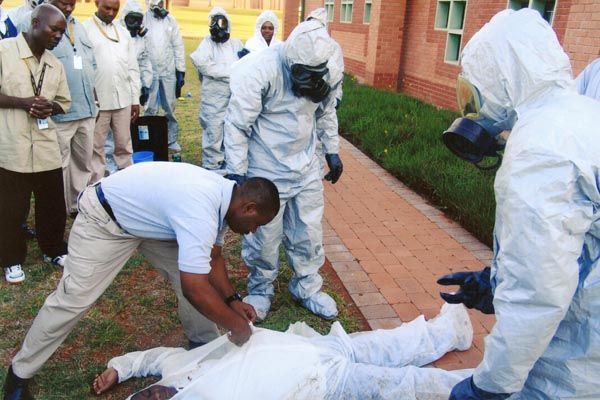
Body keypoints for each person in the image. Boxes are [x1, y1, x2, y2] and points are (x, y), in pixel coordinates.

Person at [2, 162, 280, 399]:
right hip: (105, 220)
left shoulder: (225, 197)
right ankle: (19, 373)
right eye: (257, 224)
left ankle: (204, 349)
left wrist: (233, 301)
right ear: (249, 208)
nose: (253, 231)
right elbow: (194, 288)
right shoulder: (201, 208)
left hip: (147, 222)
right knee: (72, 299)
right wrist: (238, 326)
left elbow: (214, 257)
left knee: (192, 273)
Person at [437, 9, 600, 399]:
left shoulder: (540, 149)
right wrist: (498, 279)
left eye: (473, 89)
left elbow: (536, 293)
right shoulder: (579, 116)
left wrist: (489, 387)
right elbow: (564, 248)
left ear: (501, 77)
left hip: (574, 362)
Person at [92, 304, 473, 399]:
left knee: (386, 344)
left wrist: (117, 369)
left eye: (145, 395)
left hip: (307, 347)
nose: (154, 395)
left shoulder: (173, 368)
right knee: (404, 384)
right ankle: (483, 387)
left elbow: (148, 358)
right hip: (319, 383)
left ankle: (450, 331)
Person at [223, 20, 344, 321]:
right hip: (267, 169)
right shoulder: (261, 70)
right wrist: (237, 173)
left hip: (305, 166)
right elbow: (237, 125)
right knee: (264, 236)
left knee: (308, 229)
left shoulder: (328, 69)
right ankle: (261, 289)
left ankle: (307, 286)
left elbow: (326, 111)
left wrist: (332, 150)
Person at [0, 4, 70, 284]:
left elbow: (63, 103)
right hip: (12, 146)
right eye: (54, 29)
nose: (58, 36)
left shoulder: (55, 64)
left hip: (45, 147)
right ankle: (11, 259)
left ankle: (52, 249)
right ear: (36, 23)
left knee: (52, 205)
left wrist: (48, 108)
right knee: (10, 209)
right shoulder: (4, 52)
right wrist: (23, 103)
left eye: (62, 32)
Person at [19, 0, 99, 216]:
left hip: (85, 108)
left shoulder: (79, 27)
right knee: (59, 164)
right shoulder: (37, 24)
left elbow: (91, 63)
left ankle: (78, 205)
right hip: (59, 113)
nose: (69, 8)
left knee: (83, 163)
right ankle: (59, 208)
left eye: (72, 4)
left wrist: (94, 96)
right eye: (64, 3)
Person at [83, 0, 140, 183]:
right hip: (99, 100)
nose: (110, 12)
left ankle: (127, 182)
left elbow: (132, 68)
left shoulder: (123, 32)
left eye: (115, 9)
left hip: (123, 98)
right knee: (95, 147)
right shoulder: (85, 30)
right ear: (97, 3)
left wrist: (135, 99)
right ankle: (96, 186)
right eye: (106, 8)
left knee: (124, 144)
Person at [102, 0, 154, 175]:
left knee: (124, 135)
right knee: (108, 134)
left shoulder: (141, 38)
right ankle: (108, 169)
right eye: (131, 19)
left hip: (130, 90)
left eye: (137, 20)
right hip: (110, 90)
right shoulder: (114, 32)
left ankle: (124, 170)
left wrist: (145, 86)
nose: (135, 24)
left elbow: (144, 63)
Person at [190, 7, 243, 173]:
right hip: (213, 99)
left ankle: (228, 165)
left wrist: (229, 73)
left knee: (231, 130)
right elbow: (204, 66)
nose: (217, 27)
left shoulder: (236, 44)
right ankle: (212, 167)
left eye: (221, 23)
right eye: (213, 23)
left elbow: (246, 64)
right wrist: (230, 72)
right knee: (213, 132)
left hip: (233, 96)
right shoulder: (207, 44)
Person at [144, 0, 185, 152]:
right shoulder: (143, 19)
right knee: (150, 107)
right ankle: (150, 139)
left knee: (169, 106)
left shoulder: (171, 21)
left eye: (162, 3)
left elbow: (178, 45)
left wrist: (180, 70)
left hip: (168, 70)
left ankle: (171, 139)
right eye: (158, 3)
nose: (160, 6)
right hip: (150, 70)